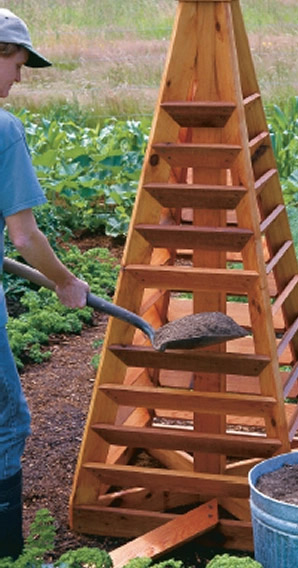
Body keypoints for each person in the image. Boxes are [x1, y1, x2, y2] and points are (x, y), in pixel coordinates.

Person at [0, 8, 90, 559]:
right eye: (15, 62)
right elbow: (26, 236)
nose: (19, 77)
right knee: (9, 422)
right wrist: (65, 283)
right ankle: (8, 551)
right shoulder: (3, 129)